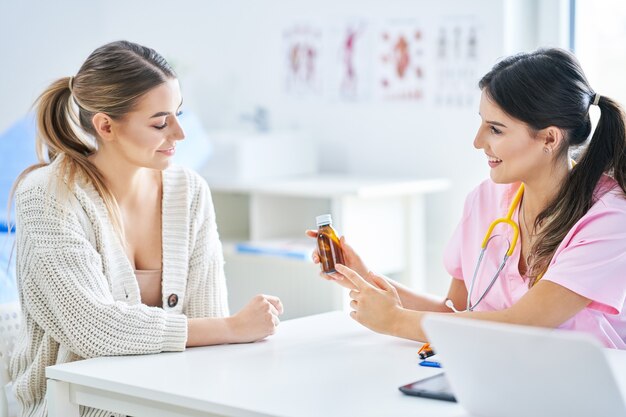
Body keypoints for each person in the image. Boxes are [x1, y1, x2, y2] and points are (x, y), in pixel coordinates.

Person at [9, 40, 283, 417]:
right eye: (160, 122)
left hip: (170, 403)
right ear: (106, 125)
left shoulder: (190, 192)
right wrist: (233, 327)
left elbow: (210, 327)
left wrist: (226, 331)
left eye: (179, 114)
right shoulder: (47, 197)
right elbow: (95, 329)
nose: (179, 134)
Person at [308, 47, 626, 349]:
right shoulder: (486, 200)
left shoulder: (608, 218)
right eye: (481, 123)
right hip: (503, 376)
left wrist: (395, 321)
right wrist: (364, 278)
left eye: (495, 130)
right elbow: (455, 313)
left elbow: (521, 323)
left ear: (549, 138)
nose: (477, 142)